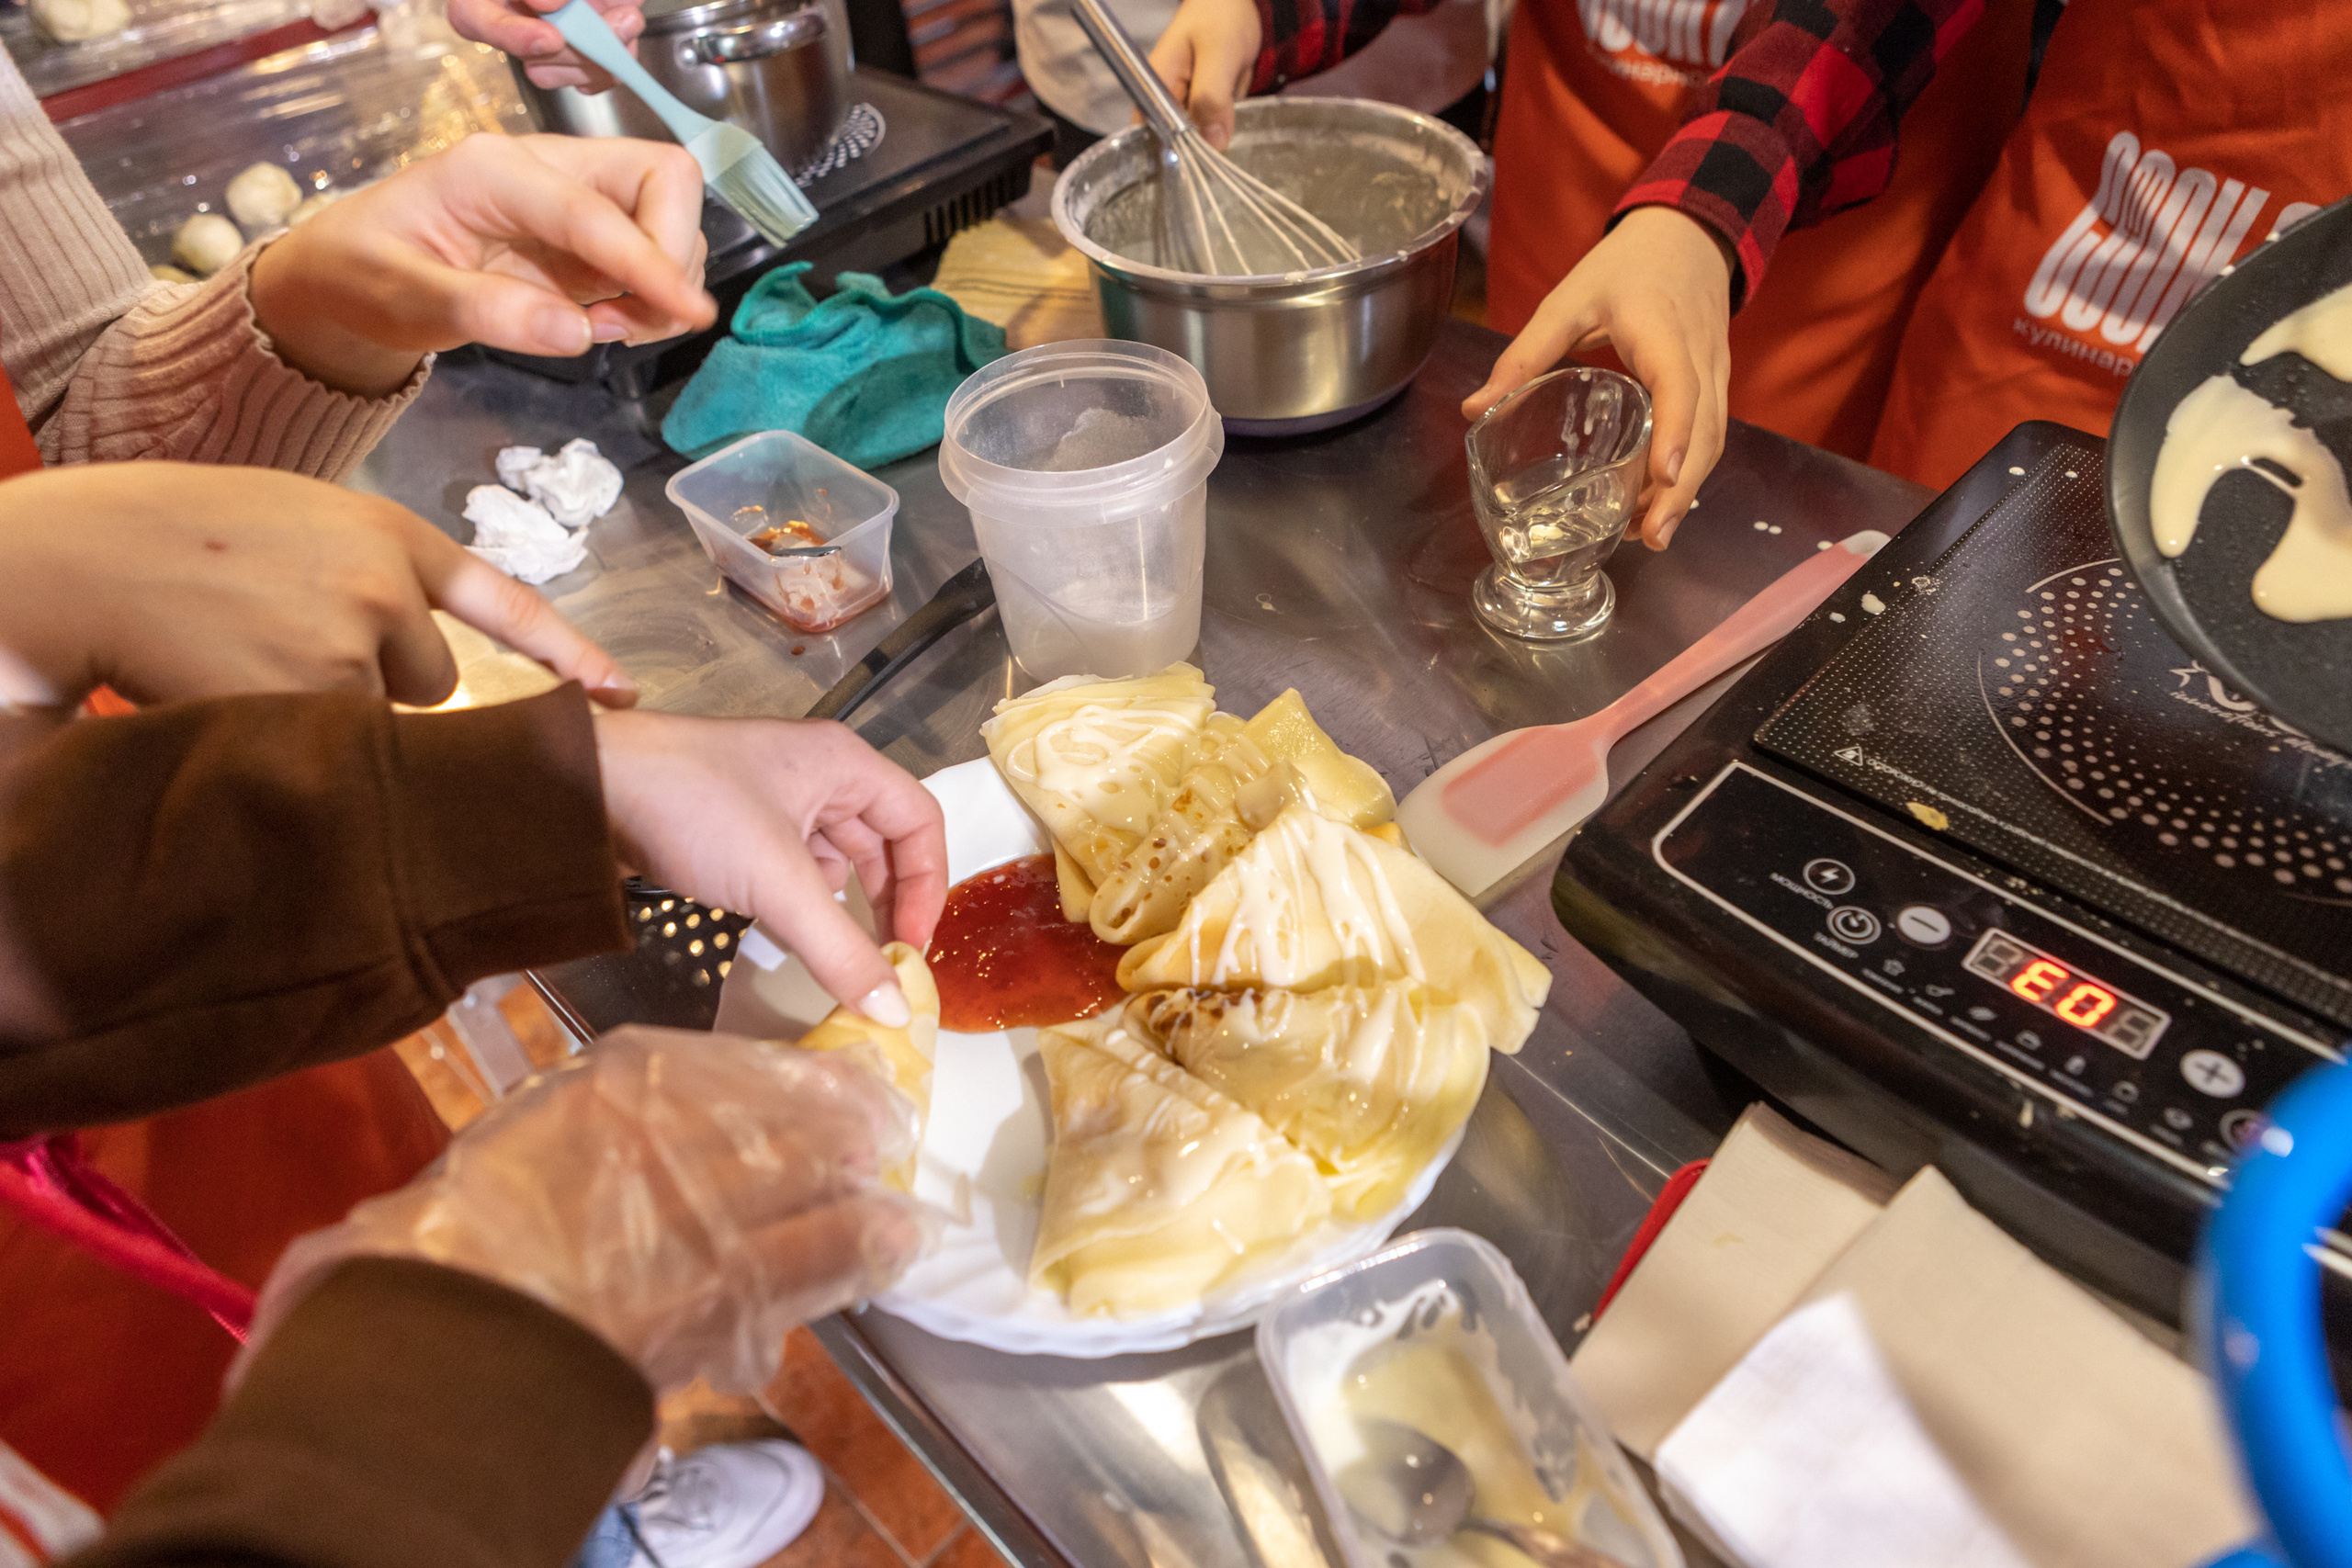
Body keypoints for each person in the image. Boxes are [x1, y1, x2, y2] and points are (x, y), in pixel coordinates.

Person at [1140, 0, 2038, 548]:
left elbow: (1857, 22)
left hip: (1808, 248)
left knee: (1742, 549)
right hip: (1571, 185)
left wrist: (1700, 215)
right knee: (1518, 475)